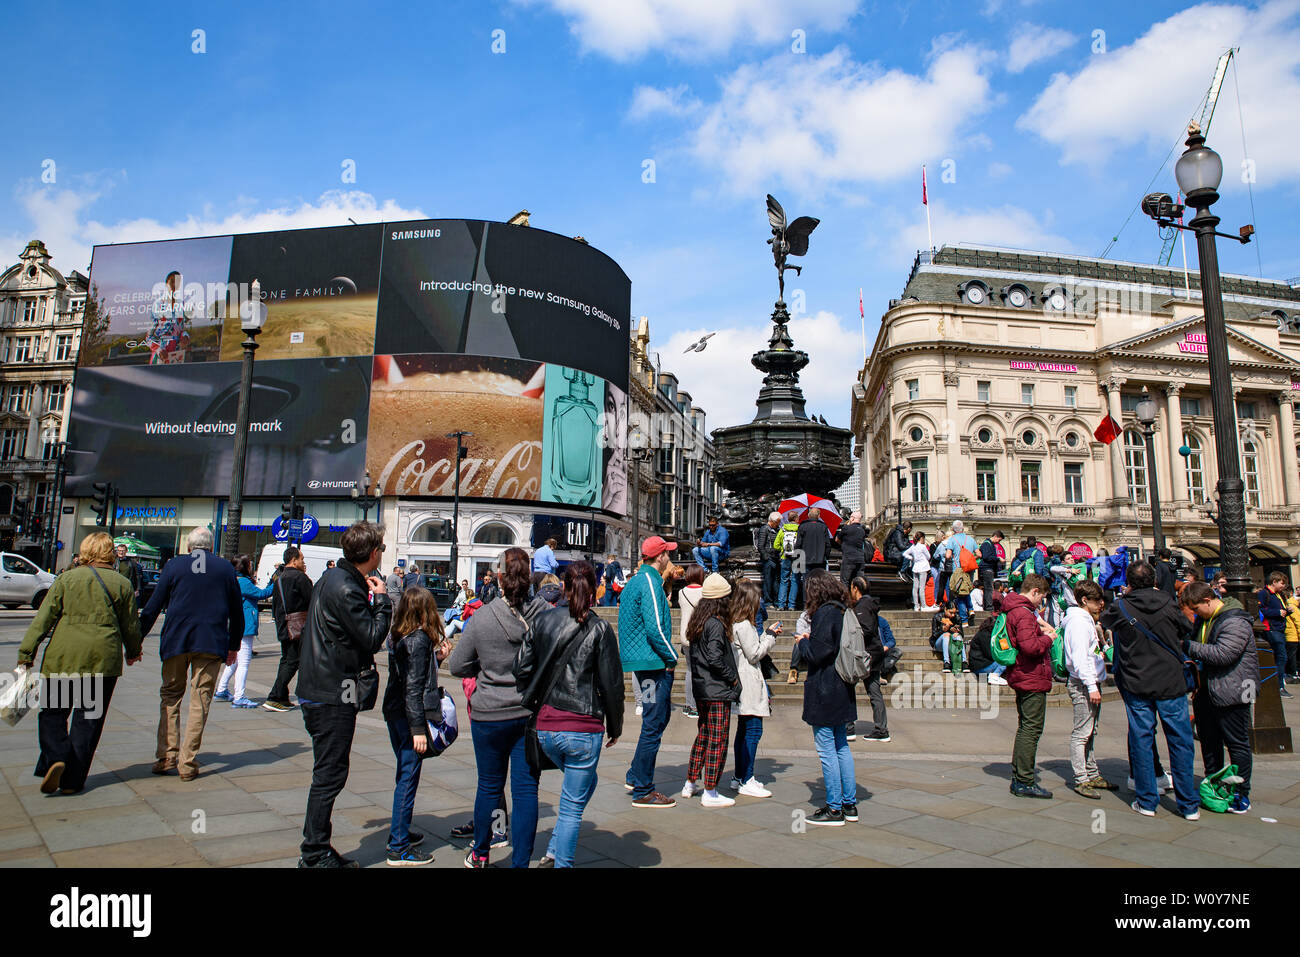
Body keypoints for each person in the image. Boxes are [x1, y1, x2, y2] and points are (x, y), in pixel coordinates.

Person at [295, 521, 393, 868]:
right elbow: (371, 637)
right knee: (330, 773)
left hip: (319, 686)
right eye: (381, 547)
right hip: (331, 692)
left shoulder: (334, 577)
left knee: (329, 770)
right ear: (373, 553)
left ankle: (318, 847)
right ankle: (314, 853)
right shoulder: (348, 587)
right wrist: (382, 601)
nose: (382, 551)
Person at [514, 561, 624, 868]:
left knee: (582, 788)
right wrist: (616, 726)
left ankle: (552, 850)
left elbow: (520, 667)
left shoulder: (543, 621)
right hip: (583, 727)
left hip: (547, 727)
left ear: (563, 586)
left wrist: (534, 695)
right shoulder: (600, 628)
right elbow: (612, 683)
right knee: (573, 807)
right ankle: (560, 861)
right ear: (594, 587)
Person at [17, 532, 143, 795]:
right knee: (88, 720)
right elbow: (131, 625)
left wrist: (27, 652)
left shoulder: (67, 579)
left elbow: (44, 619)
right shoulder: (122, 584)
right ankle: (73, 781)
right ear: (110, 553)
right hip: (101, 661)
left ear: (85, 551)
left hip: (64, 658)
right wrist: (133, 651)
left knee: (53, 713)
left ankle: (57, 755)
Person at [446, 547, 541, 868]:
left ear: (498, 577)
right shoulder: (541, 615)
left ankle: (482, 852)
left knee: (489, 785)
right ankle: (521, 861)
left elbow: (457, 665)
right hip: (527, 713)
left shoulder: (483, 616)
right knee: (526, 790)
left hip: (489, 713)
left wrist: (484, 669)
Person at [140, 526, 243, 782]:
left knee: (171, 696)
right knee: (201, 700)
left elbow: (152, 606)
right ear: (211, 547)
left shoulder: (174, 566)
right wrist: (233, 646)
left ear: (188, 547)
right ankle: (187, 762)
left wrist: (136, 640)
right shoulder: (225, 569)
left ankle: (167, 756)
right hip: (210, 642)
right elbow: (236, 613)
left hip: (177, 641)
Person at [1101, 561, 1199, 820]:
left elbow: (1105, 620)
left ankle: (1147, 801)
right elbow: (1186, 628)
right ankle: (1188, 804)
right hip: (1170, 679)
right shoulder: (1167, 601)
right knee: (1180, 740)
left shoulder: (1122, 605)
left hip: (1137, 680)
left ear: (1129, 581)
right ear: (1154, 580)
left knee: (1142, 738)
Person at [382, 586, 451, 865]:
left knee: (404, 773)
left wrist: (437, 659)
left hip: (394, 710)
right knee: (409, 776)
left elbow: (410, 673)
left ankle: (400, 831)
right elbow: (413, 688)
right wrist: (418, 730)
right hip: (409, 714)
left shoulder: (399, 635)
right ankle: (398, 846)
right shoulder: (419, 639)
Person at [1180, 581, 1258, 814]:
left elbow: (1223, 655)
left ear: (1207, 600)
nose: (1194, 614)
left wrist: (1186, 646)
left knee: (1237, 744)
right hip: (1208, 689)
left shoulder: (1235, 621)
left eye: (1196, 608)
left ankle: (1241, 794)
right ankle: (1214, 785)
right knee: (1209, 742)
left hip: (1233, 691)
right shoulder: (1205, 620)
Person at [618, 536, 680, 808]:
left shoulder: (636, 581)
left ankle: (636, 773)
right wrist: (672, 656)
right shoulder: (650, 583)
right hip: (653, 664)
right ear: (660, 556)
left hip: (643, 661)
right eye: (667, 552)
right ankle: (643, 789)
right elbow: (655, 626)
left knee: (658, 718)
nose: (669, 557)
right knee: (654, 722)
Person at [792, 571, 857, 826]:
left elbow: (818, 653)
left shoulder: (824, 613)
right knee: (841, 745)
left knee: (826, 748)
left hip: (825, 687)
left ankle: (834, 808)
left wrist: (802, 642)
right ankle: (849, 804)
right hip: (842, 685)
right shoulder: (842, 609)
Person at [679, 573, 740, 807]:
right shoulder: (715, 623)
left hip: (702, 688)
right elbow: (715, 657)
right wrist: (732, 678)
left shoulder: (698, 620)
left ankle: (691, 781)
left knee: (703, 735)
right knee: (718, 739)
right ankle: (711, 790)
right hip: (716, 690)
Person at [1004, 574, 1057, 799]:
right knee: (1031, 728)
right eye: (1041, 597)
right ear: (1034, 591)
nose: (1041, 602)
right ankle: (1024, 780)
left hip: (1024, 675)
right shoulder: (1023, 614)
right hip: (1031, 676)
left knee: (1026, 726)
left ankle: (1020, 774)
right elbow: (1030, 648)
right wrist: (1049, 639)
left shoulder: (1015, 610)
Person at [1064, 579, 1114, 799]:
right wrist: (1092, 685)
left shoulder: (1085, 620)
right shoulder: (1078, 623)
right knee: (1082, 733)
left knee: (1090, 731)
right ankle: (1081, 778)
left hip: (1090, 681)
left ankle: (1092, 773)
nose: (1101, 604)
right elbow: (1079, 657)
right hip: (1083, 683)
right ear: (1085, 600)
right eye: (1097, 601)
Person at [727, 578, 776, 796]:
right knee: (753, 731)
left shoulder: (736, 623)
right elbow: (754, 653)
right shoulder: (744, 625)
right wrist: (771, 637)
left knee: (744, 730)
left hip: (743, 682)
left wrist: (766, 634)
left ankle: (739, 776)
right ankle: (747, 778)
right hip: (748, 683)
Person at [213, 556, 274, 708]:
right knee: (244, 662)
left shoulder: (232, 580)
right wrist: (275, 583)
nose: (252, 568)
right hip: (245, 624)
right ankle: (239, 696)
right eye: (250, 565)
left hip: (235, 623)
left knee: (234, 661)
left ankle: (221, 690)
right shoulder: (244, 582)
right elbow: (262, 594)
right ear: (244, 567)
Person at [265, 546, 313, 713]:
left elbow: (276, 604)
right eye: (301, 559)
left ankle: (282, 697)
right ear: (294, 560)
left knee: (286, 659)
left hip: (284, 625)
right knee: (293, 661)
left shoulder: (279, 578)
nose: (303, 562)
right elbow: (312, 601)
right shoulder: (300, 578)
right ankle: (274, 696)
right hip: (298, 627)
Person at [846, 577, 889, 742]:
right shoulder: (869, 604)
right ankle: (881, 728)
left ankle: (849, 727)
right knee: (874, 691)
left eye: (851, 587)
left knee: (849, 686)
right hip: (874, 652)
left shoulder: (863, 606)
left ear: (855, 588)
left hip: (866, 654)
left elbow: (865, 629)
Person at [677, 564, 706, 719]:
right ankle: (696, 705)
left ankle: (689, 704)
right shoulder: (704, 592)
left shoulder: (681, 592)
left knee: (689, 670)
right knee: (699, 671)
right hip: (699, 635)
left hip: (685, 634)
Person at [1257, 572, 1291, 697]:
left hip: (1279, 629)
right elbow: (1260, 609)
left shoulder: (1279, 595)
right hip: (1271, 629)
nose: (1284, 586)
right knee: (1281, 656)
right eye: (1282, 583)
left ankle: (1277, 684)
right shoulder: (1264, 594)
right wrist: (1277, 612)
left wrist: (1286, 612)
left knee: (1280, 657)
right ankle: (1278, 686)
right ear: (1274, 581)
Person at [966, 615, 1008, 685]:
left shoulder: (994, 635)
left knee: (1008, 655)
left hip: (985, 664)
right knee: (1006, 659)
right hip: (980, 667)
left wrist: (1002, 638)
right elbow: (990, 654)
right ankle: (994, 676)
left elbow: (1005, 648)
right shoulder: (984, 635)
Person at [756, 512, 782, 609]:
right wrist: (766, 557)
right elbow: (760, 546)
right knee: (768, 580)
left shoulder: (778, 529)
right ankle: (768, 601)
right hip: (768, 559)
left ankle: (776, 601)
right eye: (778, 522)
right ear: (773, 521)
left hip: (776, 558)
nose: (779, 524)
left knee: (776, 580)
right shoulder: (764, 529)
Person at [776, 514, 802, 610]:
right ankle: (792, 605)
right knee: (795, 580)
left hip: (785, 556)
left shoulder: (783, 529)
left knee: (784, 580)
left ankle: (781, 604)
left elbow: (776, 545)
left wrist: (782, 550)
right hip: (798, 556)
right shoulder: (800, 529)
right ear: (796, 519)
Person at [835, 511, 867, 586]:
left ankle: (846, 597)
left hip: (849, 558)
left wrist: (842, 544)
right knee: (859, 582)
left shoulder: (846, 528)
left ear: (852, 518)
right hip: (860, 559)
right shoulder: (862, 531)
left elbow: (837, 539)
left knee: (845, 581)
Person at [930, 602, 963, 674]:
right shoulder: (937, 617)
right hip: (939, 643)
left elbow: (962, 635)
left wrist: (957, 632)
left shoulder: (957, 618)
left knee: (958, 636)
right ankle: (946, 662)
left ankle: (964, 661)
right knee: (946, 635)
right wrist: (943, 630)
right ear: (945, 609)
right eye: (950, 613)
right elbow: (934, 635)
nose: (952, 615)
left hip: (953, 643)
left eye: (954, 613)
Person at [903, 532, 931, 612]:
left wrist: (912, 558)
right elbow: (928, 557)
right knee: (922, 587)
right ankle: (923, 605)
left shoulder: (913, 547)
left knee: (915, 587)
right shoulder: (922, 546)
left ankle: (916, 605)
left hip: (915, 567)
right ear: (922, 538)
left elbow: (905, 554)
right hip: (923, 567)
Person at [978, 530, 1004, 602]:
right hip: (987, 569)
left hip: (988, 569)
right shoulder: (987, 544)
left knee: (988, 588)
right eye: (999, 540)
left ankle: (988, 605)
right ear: (995, 536)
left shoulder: (990, 544)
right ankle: (989, 607)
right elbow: (986, 557)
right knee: (988, 588)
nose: (998, 542)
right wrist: (998, 558)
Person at [1284, 586, 1300, 682]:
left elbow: (1298, 622)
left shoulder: (1290, 606)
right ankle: (1293, 673)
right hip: (1291, 636)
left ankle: (1293, 673)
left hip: (1291, 636)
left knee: (1292, 656)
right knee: (1292, 656)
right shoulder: (1291, 607)